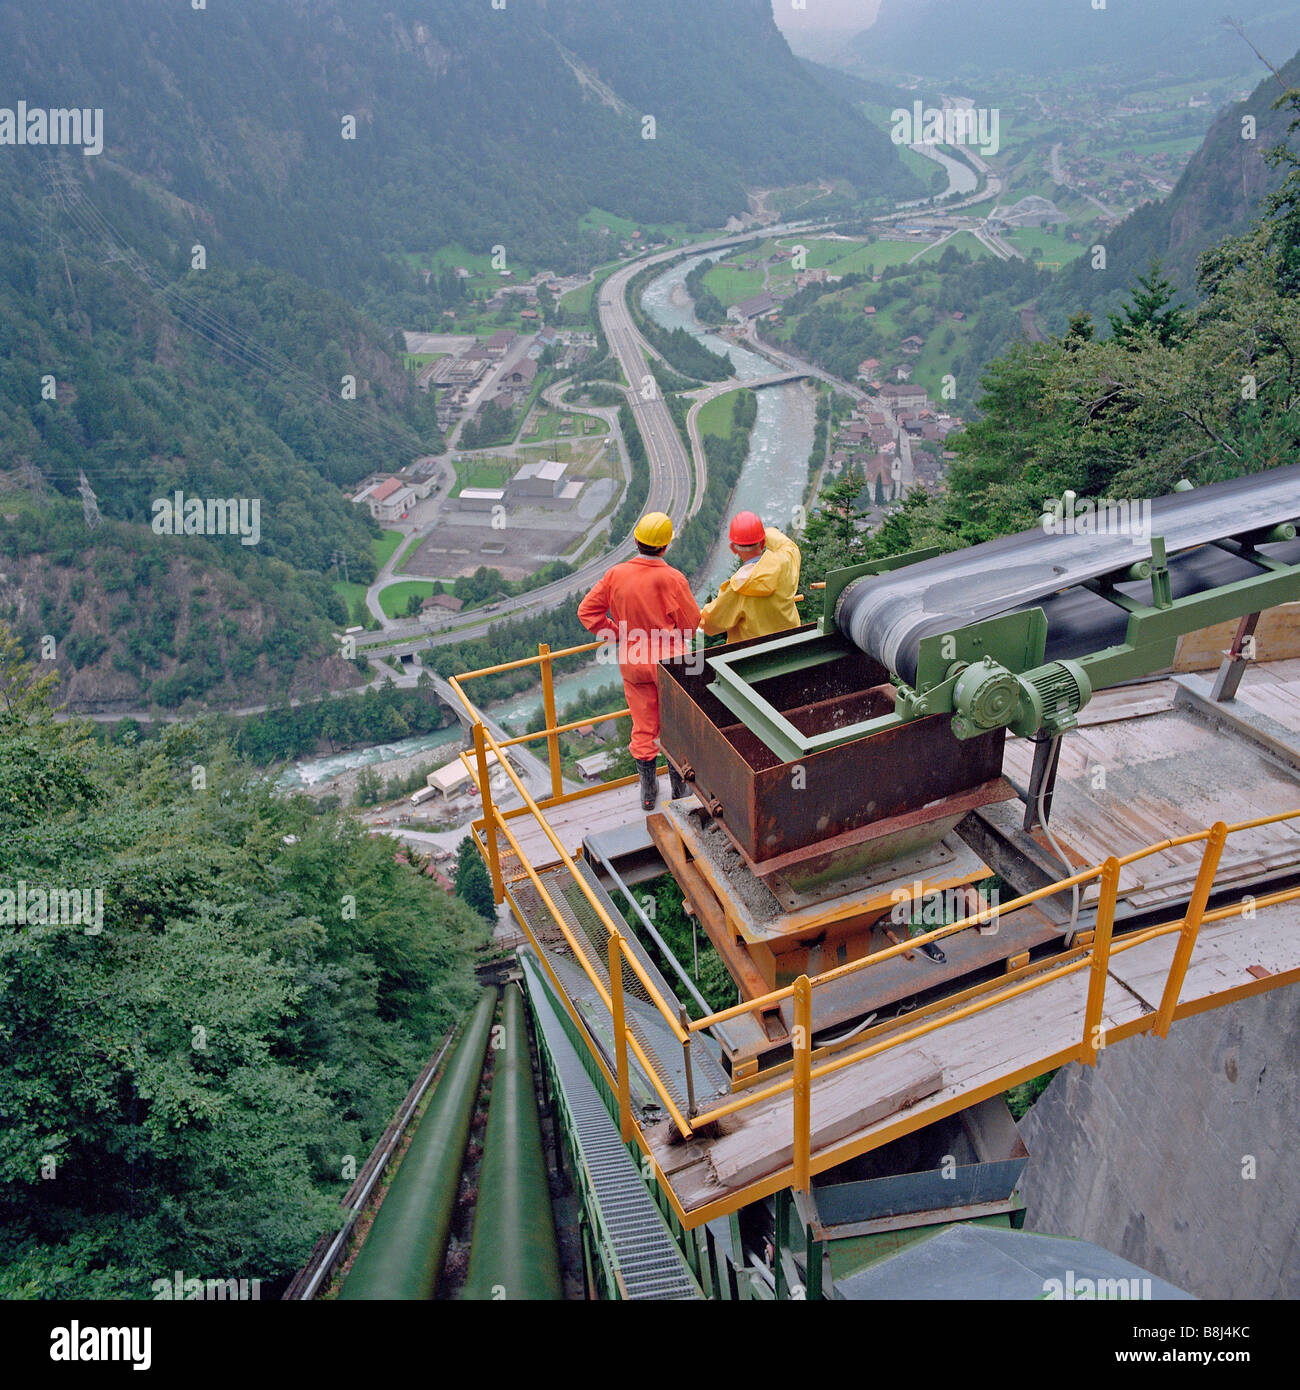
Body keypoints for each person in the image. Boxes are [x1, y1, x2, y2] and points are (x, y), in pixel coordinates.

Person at [578, 512, 700, 810]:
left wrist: (617, 633)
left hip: (633, 659)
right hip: (670, 664)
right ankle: (679, 790)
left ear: (636, 541)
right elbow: (690, 623)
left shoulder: (616, 574)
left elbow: (587, 612)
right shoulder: (673, 579)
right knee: (674, 725)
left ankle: (647, 791)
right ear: (666, 545)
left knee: (644, 726)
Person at [699, 511, 802, 645]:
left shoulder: (738, 588)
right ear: (763, 542)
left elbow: (710, 624)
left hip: (753, 658)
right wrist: (758, 533)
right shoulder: (787, 561)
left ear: (733, 548)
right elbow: (786, 543)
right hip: (791, 646)